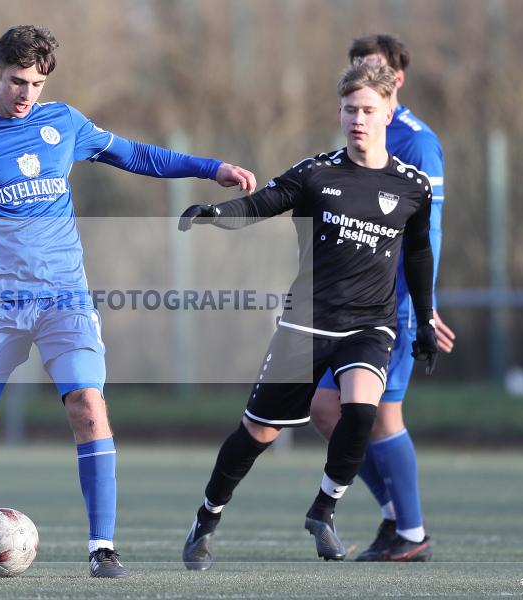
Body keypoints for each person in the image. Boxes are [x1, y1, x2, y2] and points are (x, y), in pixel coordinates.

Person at [0, 25, 256, 578]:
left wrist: (213, 168)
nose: (25, 93)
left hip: (65, 297)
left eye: (36, 83)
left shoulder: (65, 123)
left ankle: (102, 549)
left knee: (88, 406)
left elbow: (135, 155)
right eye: (17, 80)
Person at [178, 60, 438, 568]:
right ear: (339, 113)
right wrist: (216, 214)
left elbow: (418, 255)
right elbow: (264, 203)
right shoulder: (318, 172)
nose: (358, 119)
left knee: (361, 412)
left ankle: (324, 509)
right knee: (257, 435)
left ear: (388, 112)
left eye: (367, 109)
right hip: (305, 323)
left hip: (371, 325)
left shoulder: (413, 187)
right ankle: (206, 517)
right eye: (348, 110)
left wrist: (424, 319)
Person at [309, 34, 455, 563]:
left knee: (382, 414)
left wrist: (424, 305)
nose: (367, 80)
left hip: (391, 305)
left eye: (378, 71)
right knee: (327, 408)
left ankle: (409, 532)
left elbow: (425, 235)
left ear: (399, 81)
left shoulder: (416, 143)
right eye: (358, 70)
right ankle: (396, 516)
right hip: (351, 302)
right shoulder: (361, 130)